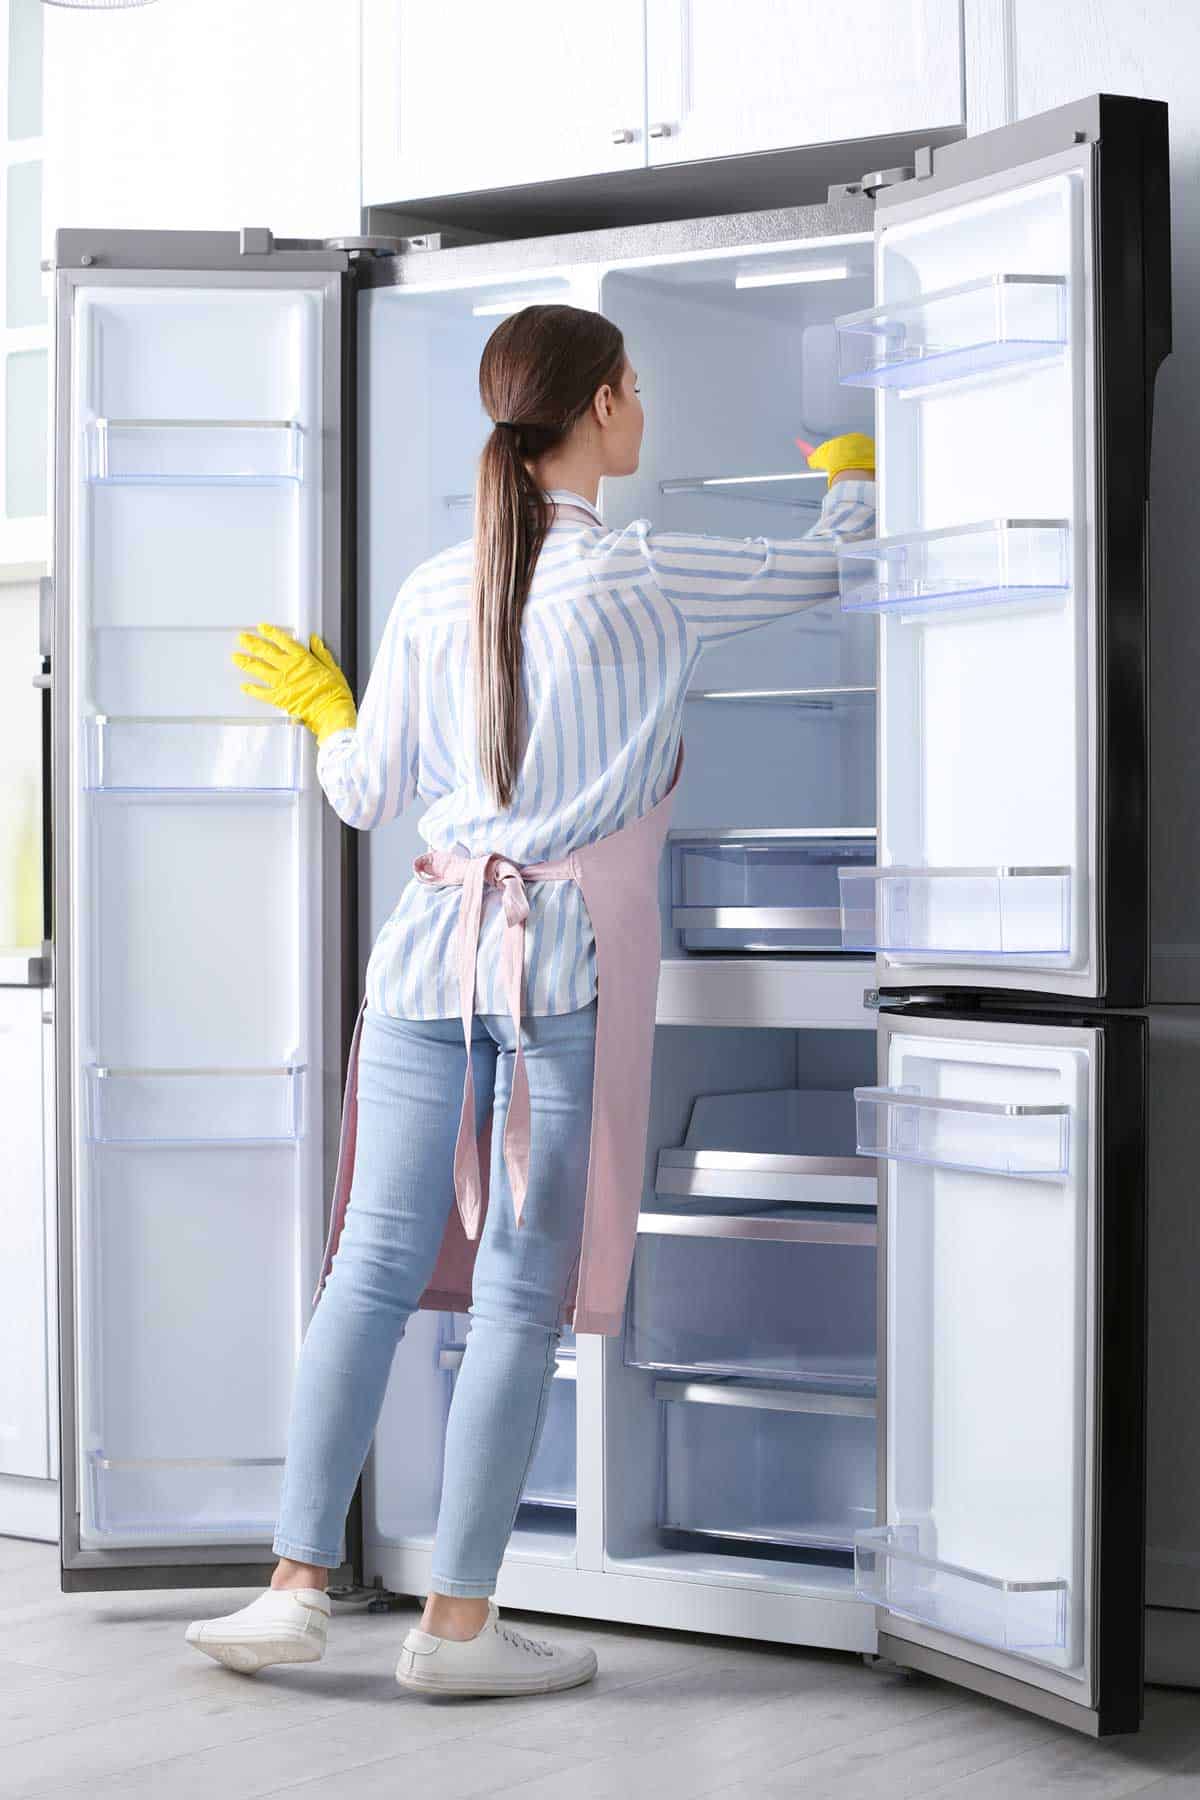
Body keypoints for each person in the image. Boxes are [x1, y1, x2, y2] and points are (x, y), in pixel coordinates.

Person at [184, 303, 876, 1697]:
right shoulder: (652, 570)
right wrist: (854, 465)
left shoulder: (437, 586)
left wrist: (327, 707)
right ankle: (458, 1631)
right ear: (610, 405)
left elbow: (368, 792)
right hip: (555, 962)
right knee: (517, 1293)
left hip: (427, 949)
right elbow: (839, 564)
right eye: (642, 388)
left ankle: (293, 1590)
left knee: (368, 1271)